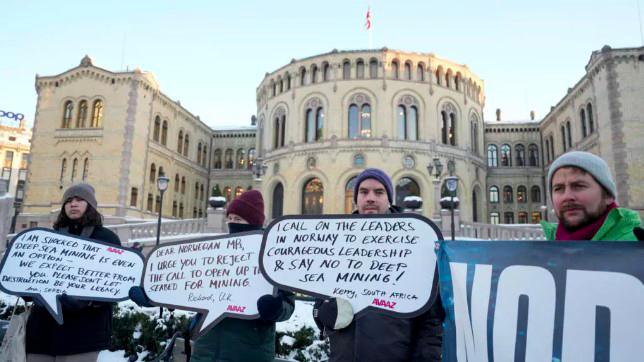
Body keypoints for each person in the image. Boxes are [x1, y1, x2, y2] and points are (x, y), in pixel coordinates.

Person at [130, 189, 294, 362]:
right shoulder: (215, 255)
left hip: (248, 353)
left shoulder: (273, 256)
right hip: (205, 351)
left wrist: (275, 309)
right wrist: (152, 295)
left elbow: (288, 304)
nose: (232, 223)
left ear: (253, 223)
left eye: (238, 219)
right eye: (229, 219)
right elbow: (183, 284)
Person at [313, 168, 445, 361]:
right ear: (356, 198)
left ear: (389, 198)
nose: (370, 198)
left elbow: (431, 321)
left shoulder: (414, 244)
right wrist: (323, 311)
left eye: (379, 192)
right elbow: (319, 304)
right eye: (364, 192)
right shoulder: (338, 243)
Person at [26, 182, 121, 361]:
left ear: (90, 205)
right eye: (68, 200)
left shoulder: (106, 239)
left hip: (83, 334)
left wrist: (88, 301)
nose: (73, 204)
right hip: (42, 333)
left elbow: (115, 283)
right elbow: (32, 274)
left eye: (79, 199)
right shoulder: (47, 238)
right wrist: (26, 290)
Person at [541, 151, 642, 241]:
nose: (567, 196)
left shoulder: (635, 245)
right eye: (558, 188)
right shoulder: (549, 247)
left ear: (608, 195)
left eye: (579, 186)